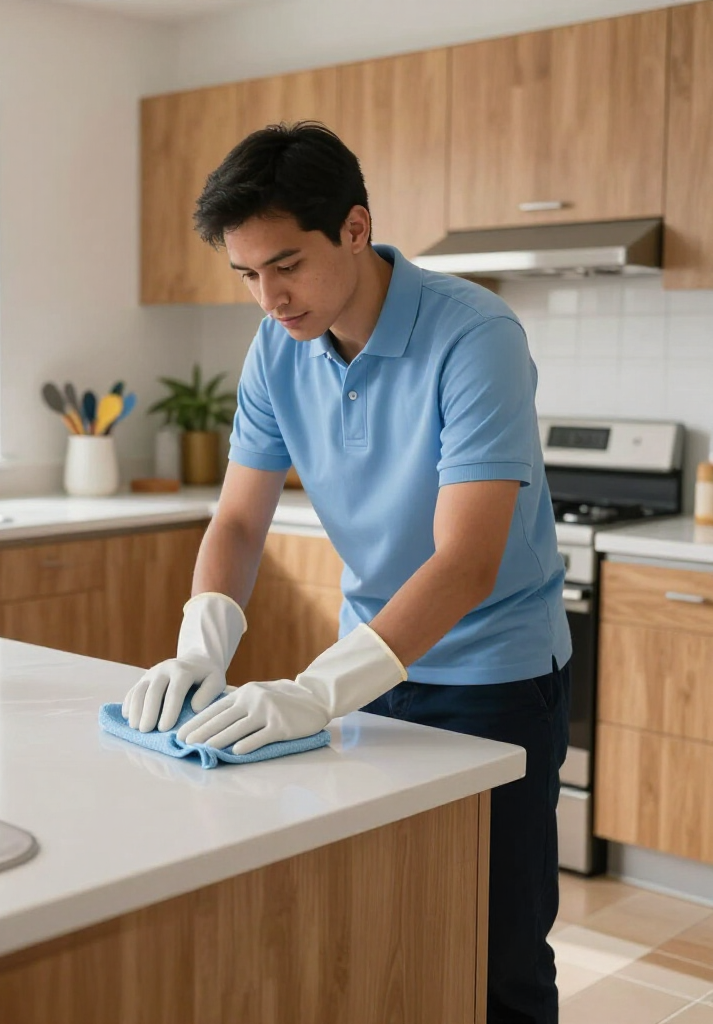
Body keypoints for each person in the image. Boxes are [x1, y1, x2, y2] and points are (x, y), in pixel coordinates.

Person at [121, 121, 571, 1024]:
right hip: (371, 670)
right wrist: (200, 644)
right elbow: (242, 517)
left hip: (493, 680)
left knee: (497, 953)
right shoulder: (277, 347)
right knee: (380, 929)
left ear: (355, 230)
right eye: (247, 274)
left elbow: (467, 561)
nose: (269, 297)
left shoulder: (473, 335)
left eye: (285, 265)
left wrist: (321, 690)